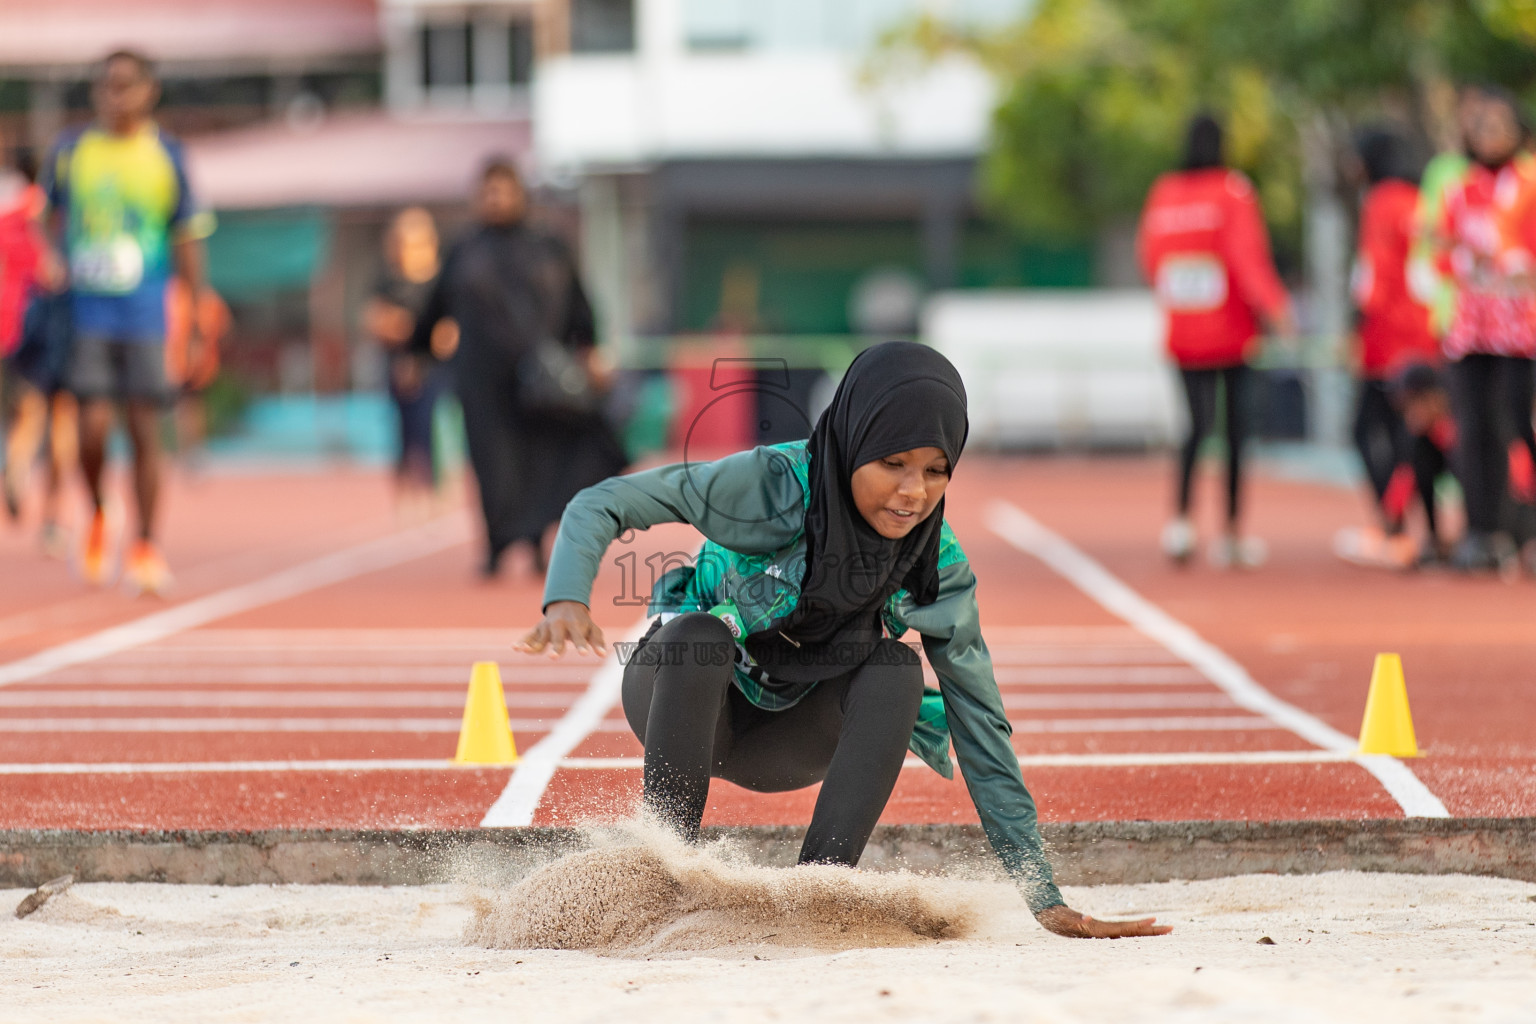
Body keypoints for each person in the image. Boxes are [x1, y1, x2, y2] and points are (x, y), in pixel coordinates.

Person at [516, 342, 1172, 940]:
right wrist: (567, 597)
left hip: (793, 737)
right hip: (689, 704)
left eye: (936, 470)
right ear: (855, 440)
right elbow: (602, 503)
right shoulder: (768, 486)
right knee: (697, 635)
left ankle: (819, 895)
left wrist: (1043, 895)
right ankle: (659, 878)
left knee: (895, 670)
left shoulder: (934, 560)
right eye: (892, 465)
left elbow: (979, 722)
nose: (912, 492)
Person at [44, 49, 213, 593]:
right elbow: (47, 218)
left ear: (149, 93)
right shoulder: (71, 151)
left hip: (144, 312)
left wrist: (194, 313)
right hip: (86, 310)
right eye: (105, 86)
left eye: (125, 86)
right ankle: (97, 511)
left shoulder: (167, 155)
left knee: (145, 429)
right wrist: (51, 255)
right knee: (90, 428)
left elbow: (188, 237)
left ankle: (145, 545)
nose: (114, 96)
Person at [412, 159, 625, 578]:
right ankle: (496, 545)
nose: (496, 199)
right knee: (492, 466)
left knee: (540, 461)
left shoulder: (548, 246)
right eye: (488, 190)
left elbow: (580, 305)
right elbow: (433, 309)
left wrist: (592, 350)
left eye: (503, 189)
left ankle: (534, 541)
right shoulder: (464, 250)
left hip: (539, 380)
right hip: (480, 382)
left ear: (520, 193)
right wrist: (416, 353)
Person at [1137, 113, 1295, 569]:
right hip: (1232, 333)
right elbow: (1248, 258)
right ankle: (1231, 534)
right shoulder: (1233, 190)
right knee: (1236, 432)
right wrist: (1278, 309)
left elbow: (1150, 260)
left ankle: (1182, 525)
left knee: (1195, 428)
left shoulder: (1164, 193)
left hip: (1184, 332)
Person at [1431, 89, 1536, 572]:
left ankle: (1527, 531)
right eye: (1481, 127)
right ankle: (1481, 531)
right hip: (1472, 328)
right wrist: (1455, 254)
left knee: (1521, 425)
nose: (1488, 135)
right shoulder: (1459, 189)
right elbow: (1442, 253)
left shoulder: (1530, 184)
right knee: (1473, 429)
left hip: (1523, 328)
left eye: (1498, 125)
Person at [1346, 127, 1439, 560]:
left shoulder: (1381, 201)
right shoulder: (1420, 199)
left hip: (1387, 338)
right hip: (1425, 331)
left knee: (1367, 429)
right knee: (1414, 433)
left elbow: (1373, 275)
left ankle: (1393, 521)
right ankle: (1410, 524)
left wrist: (1355, 330)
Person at [1, 144, 77, 556]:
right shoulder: (55, 218)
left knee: (26, 413)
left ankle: (15, 464)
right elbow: (55, 273)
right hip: (56, 324)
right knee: (63, 421)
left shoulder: (7, 217)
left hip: (15, 327)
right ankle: (52, 519)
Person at [365, 207, 447, 520]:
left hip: (434, 368)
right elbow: (375, 318)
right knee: (402, 432)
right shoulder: (388, 279)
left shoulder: (439, 280)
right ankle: (404, 491)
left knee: (433, 430)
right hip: (398, 365)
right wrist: (404, 330)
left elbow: (448, 328)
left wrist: (425, 334)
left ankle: (434, 490)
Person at [163, 276, 230, 472]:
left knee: (192, 407)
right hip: (176, 363)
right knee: (178, 408)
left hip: (197, 365)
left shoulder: (204, 298)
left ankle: (192, 450)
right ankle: (180, 449)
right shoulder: (173, 295)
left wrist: (203, 342)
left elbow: (223, 327)